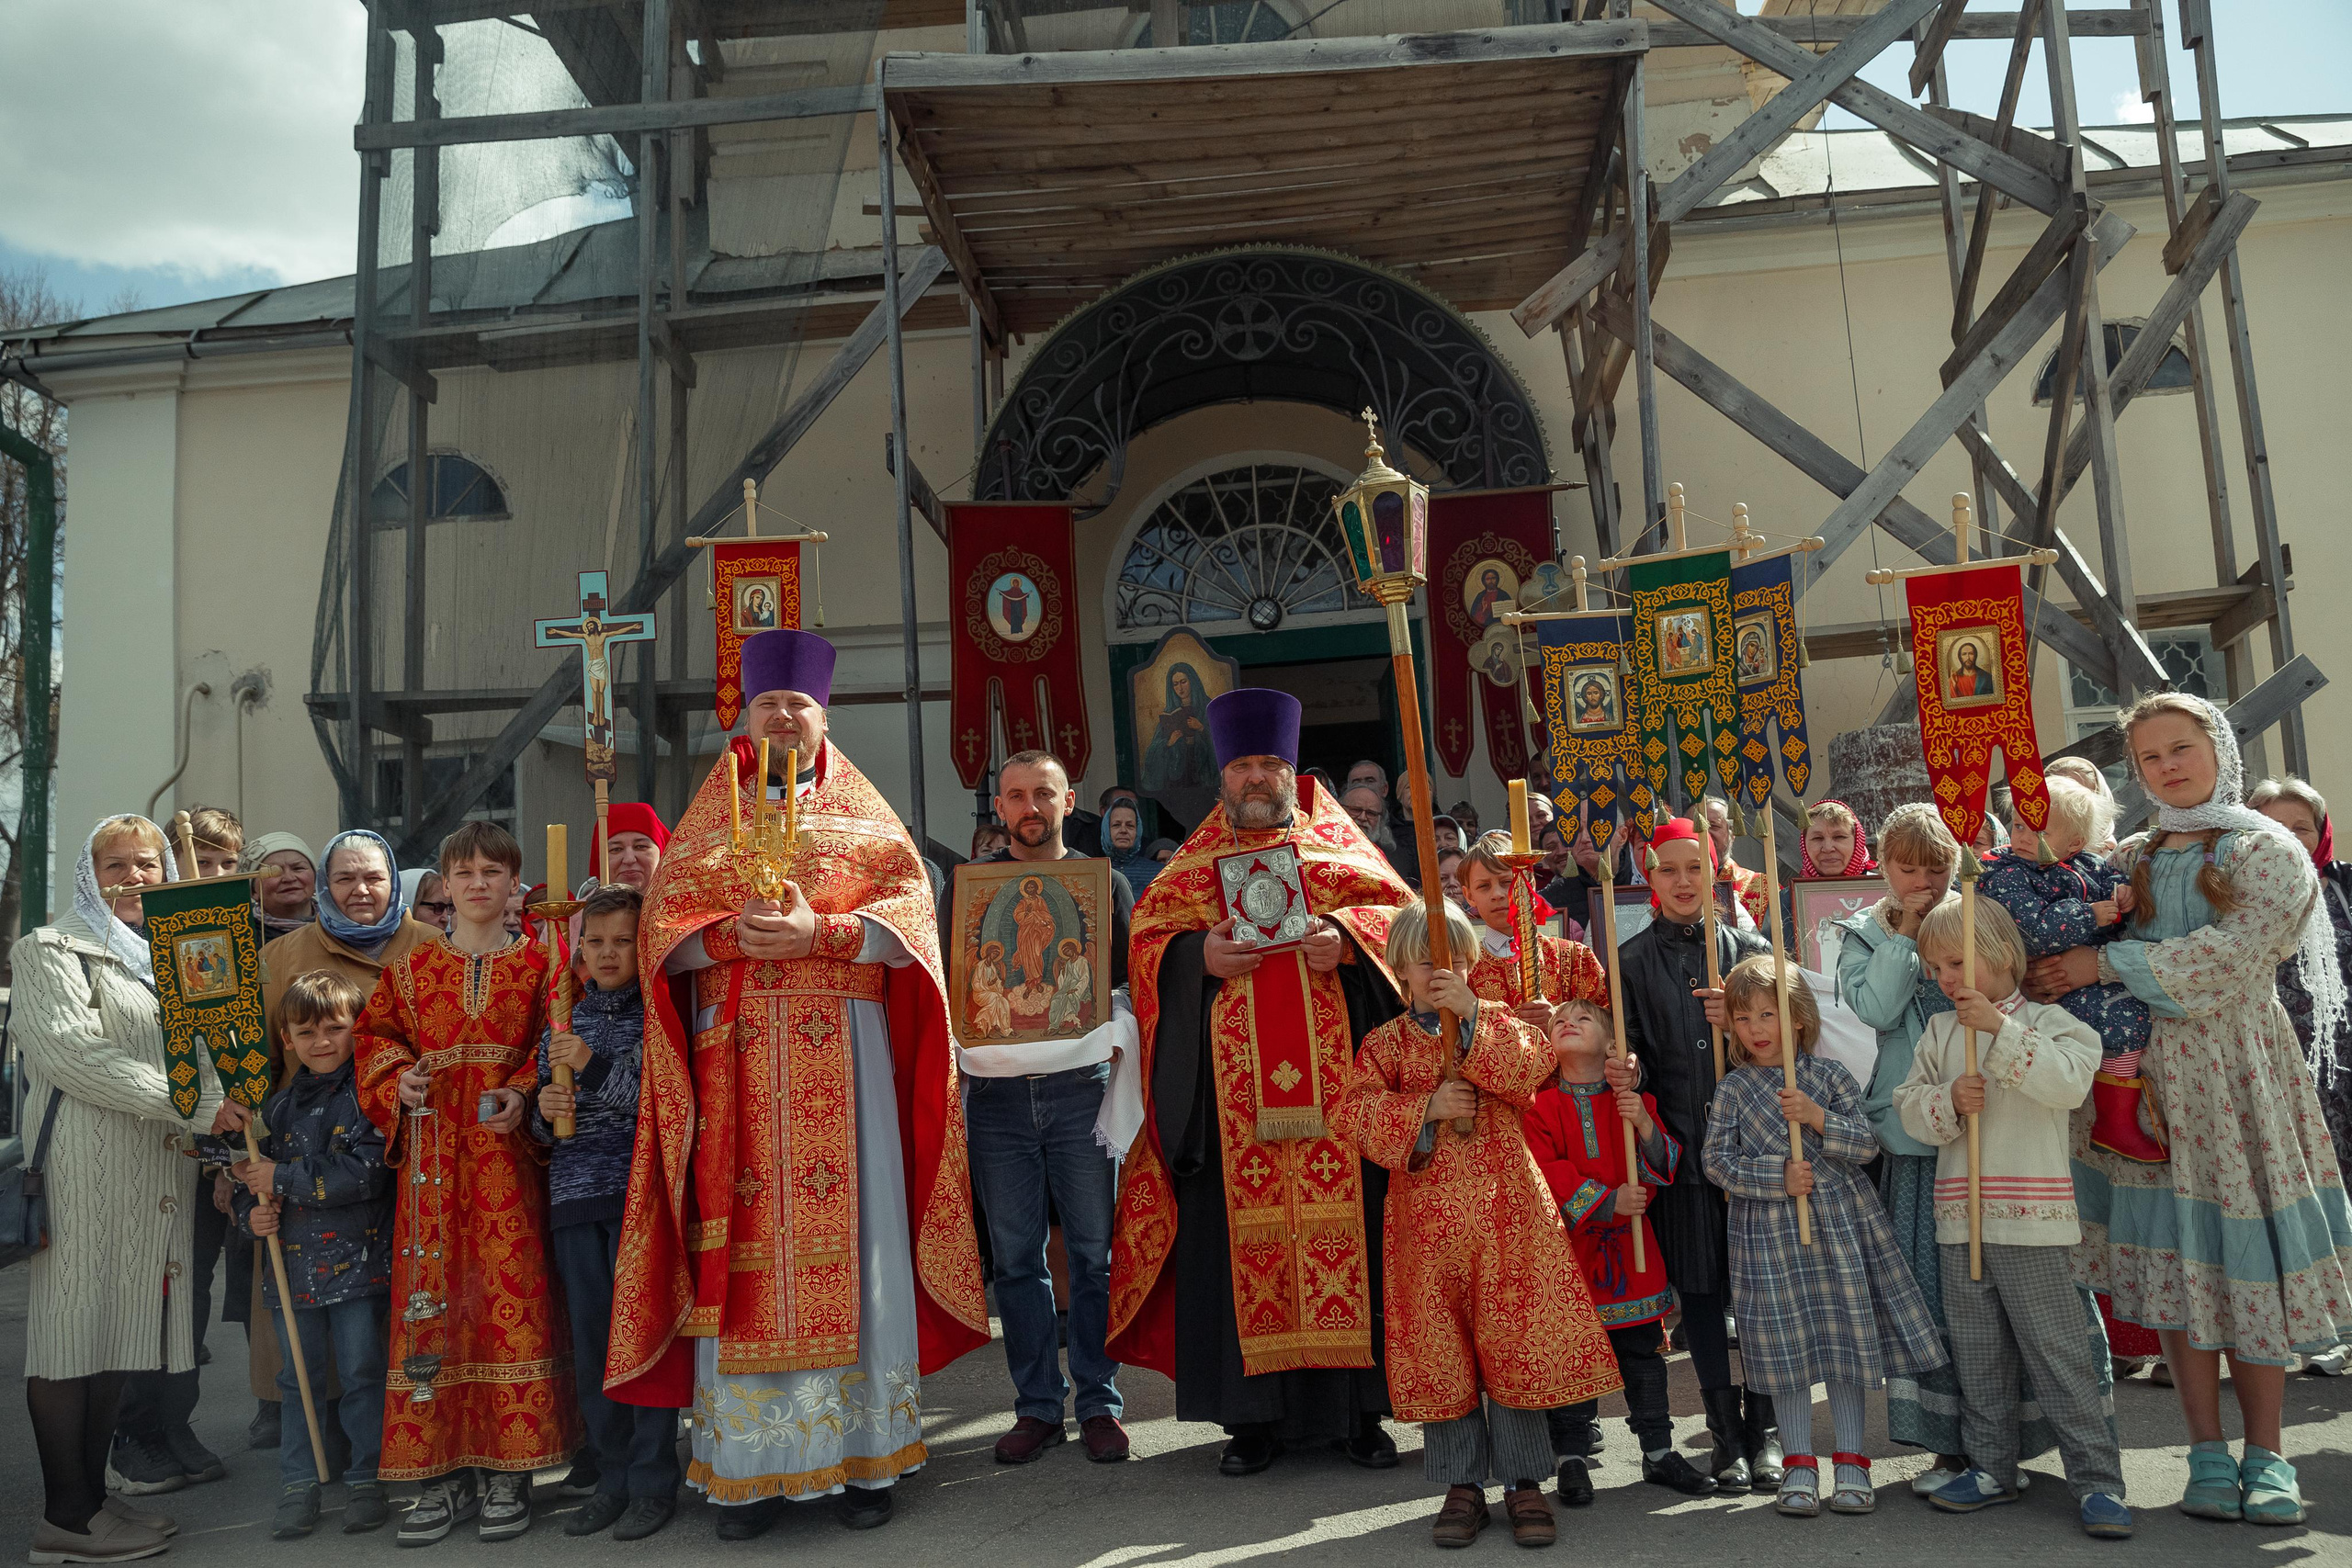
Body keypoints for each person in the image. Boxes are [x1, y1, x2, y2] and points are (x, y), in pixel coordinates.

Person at [607, 627, 987, 1536]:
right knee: (736, 1266)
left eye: (798, 705)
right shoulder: (711, 814)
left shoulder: (863, 816)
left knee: (863, 1256)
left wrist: (831, 933)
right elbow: (664, 926)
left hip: (845, 1068)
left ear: (823, 715)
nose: (784, 717)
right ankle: (751, 1469)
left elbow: (912, 914)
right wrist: (734, 933)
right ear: (745, 714)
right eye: (768, 704)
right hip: (732, 1066)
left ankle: (864, 1465)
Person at [2045, 693, 2350, 1525]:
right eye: (2150, 757)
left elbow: (2228, 955)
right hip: (2137, 1087)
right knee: (2179, 1269)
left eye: (2182, 748)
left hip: (2234, 1078)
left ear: (2218, 748)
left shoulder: (2265, 849)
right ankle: (2206, 1450)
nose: (2169, 766)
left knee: (2236, 1256)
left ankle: (2270, 1452)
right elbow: (2063, 926)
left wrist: (2103, 968)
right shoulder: (2128, 853)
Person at [1109, 689, 1413, 1477]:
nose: (1254, 778)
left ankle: (1361, 1414)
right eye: (1241, 765)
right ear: (1223, 774)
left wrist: (1345, 940)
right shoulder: (1192, 865)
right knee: (1240, 1247)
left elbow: (1405, 922)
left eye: (1267, 764)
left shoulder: (1341, 851)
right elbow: (1147, 939)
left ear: (1289, 770)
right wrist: (1193, 961)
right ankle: (1253, 1422)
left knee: (1355, 1239)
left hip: (1339, 1100)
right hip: (1232, 1104)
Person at [1333, 899, 1619, 1549]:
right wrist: (1425, 1107)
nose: (1444, 969)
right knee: (1442, 1344)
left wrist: (1471, 1019)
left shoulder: (1494, 1023)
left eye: (1456, 958)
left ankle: (1524, 1479)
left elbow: (1531, 1069)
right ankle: (1461, 1482)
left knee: (1513, 1338)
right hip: (1424, 1225)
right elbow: (1350, 1113)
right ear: (1400, 967)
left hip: (1506, 1213)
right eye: (1429, 958)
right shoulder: (1386, 1043)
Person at [355, 821, 576, 1545]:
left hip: (508, 1164)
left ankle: (507, 1473)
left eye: (493, 870)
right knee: (434, 1308)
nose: (478, 882)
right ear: (443, 886)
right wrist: (401, 1078)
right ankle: (437, 1478)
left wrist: (522, 1086)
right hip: (432, 1164)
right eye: (464, 871)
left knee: (508, 1300)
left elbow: (556, 1043)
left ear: (516, 885)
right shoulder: (410, 972)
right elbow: (375, 1039)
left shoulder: (545, 965)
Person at [14, 817, 228, 1562]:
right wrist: (199, 1104)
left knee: (116, 1335)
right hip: (84, 1173)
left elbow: (205, 1054)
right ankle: (64, 1518)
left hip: (154, 1172)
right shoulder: (49, 949)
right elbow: (75, 1054)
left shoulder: (170, 958)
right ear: (87, 873)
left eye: (148, 863)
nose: (135, 877)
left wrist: (229, 1097)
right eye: (116, 865)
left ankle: (93, 1504)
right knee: (72, 1334)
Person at [1894, 900, 2130, 1538]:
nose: (1944, 976)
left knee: (2057, 1351)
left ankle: (2099, 1480)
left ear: (1999, 955)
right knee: (1978, 1354)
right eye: (1934, 965)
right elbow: (1909, 1108)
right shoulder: (1939, 1034)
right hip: (1960, 1222)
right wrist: (1947, 1099)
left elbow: (2067, 1086)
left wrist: (1999, 1032)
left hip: (2032, 1221)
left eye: (1956, 961)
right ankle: (1993, 1467)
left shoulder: (2057, 1024)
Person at [1702, 955, 1948, 1517]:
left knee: (1842, 1345)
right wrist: (1775, 1176)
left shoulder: (1830, 1078)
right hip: (1766, 1236)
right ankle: (1797, 1465)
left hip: (1836, 1226)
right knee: (1785, 1348)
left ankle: (1852, 1461)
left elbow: (1865, 1146)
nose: (1758, 1028)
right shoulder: (1735, 1089)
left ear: (1799, 1018)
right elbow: (1716, 1162)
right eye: (1744, 1018)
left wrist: (1816, 1117)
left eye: (1770, 1014)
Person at [950, 749, 1136, 1466]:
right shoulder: (970, 890)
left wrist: (1109, 1024)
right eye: (1017, 795)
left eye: (1044, 794)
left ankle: (1098, 1401)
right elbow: (957, 979)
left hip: (1077, 1089)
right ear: (1000, 806)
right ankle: (1035, 1405)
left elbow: (1122, 984)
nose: (1031, 807)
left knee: (1094, 1253)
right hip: (997, 1097)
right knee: (1017, 1258)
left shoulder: (1104, 883)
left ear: (1069, 800)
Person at [1604, 818, 1771, 1490]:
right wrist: (1629, 1068)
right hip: (1681, 1150)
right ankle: (1724, 1432)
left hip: (1752, 1147)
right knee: (1701, 1293)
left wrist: (1734, 1024)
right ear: (1651, 878)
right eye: (1668, 869)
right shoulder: (1631, 960)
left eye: (1693, 868)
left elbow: (1784, 1047)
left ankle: (1766, 1429)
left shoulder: (1753, 948)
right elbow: (1633, 1051)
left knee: (1758, 1290)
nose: (1681, 881)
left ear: (1714, 872)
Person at [526, 885, 678, 1540]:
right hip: (574, 1199)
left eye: (623, 940)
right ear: (579, 948)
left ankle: (652, 1479)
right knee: (592, 1344)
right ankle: (611, 1477)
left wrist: (587, 1068)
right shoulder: (564, 1019)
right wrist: (542, 1113)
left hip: (637, 1198)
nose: (609, 952)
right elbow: (540, 1121)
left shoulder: (660, 1016)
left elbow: (661, 1097)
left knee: (642, 1341)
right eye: (597, 941)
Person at [1832, 804, 1973, 1487]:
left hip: (1984, 1119)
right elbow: (1879, 1010)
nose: (1922, 878)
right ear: (1882, 865)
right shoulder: (1861, 935)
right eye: (1907, 866)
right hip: (1912, 1135)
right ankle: (1947, 1438)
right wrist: (1908, 933)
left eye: (1935, 866)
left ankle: (2002, 1428)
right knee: (1929, 1291)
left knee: (1985, 1283)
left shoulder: (1978, 911)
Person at [1525, 998, 1712, 1504]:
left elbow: (1665, 1158)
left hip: (1633, 1253)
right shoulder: (1539, 1106)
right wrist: (1607, 1202)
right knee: (1574, 1354)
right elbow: (1545, 1170)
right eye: (1560, 1020)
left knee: (1641, 1354)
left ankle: (1657, 1452)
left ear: (1612, 1045)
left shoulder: (1633, 1102)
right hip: (1571, 1252)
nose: (1568, 1023)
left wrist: (1645, 1126)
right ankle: (1572, 1458)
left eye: (1583, 1019)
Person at [107, 807, 242, 1497]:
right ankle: (132, 1432)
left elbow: (232, 1053)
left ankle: (174, 1418)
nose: (205, 876)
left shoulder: (221, 942)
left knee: (190, 1289)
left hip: (208, 1150)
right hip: (147, 1147)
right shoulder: (122, 947)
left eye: (221, 865)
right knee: (150, 1293)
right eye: (194, 860)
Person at [231, 970, 393, 1540]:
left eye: (334, 1028)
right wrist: (250, 1216)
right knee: (297, 1378)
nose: (321, 1042)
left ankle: (367, 1476)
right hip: (292, 1268)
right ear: (286, 1039)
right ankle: (298, 1482)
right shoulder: (272, 1111)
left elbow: (366, 1174)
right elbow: (250, 1183)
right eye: (306, 1031)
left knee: (361, 1371)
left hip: (358, 1263)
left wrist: (285, 1175)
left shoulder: (370, 1095)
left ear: (356, 1028)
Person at [1982, 779, 2156, 1162]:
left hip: (2083, 979)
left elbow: (2110, 885)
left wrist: (2123, 895)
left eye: (2040, 829)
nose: (2024, 836)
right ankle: (2109, 1119)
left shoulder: (2087, 865)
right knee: (2121, 1018)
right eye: (2020, 825)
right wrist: (2088, 916)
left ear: (2074, 843)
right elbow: (2033, 931)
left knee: (2133, 1014)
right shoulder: (2007, 872)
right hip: (2042, 990)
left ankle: (2115, 1119)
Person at [260, 830, 433, 1089]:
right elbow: (263, 1061)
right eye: (345, 879)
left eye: (374, 878)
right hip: (314, 1122)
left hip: (421, 1117)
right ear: (326, 885)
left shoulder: (435, 945)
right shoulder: (280, 955)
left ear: (393, 881)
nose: (361, 890)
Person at [2248, 775, 2352, 1176]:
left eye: (2300, 828)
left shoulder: (2346, 884)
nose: (2286, 837)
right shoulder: (2227, 892)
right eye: (2271, 827)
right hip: (2274, 1055)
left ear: (2321, 832)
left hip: (2343, 1057)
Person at [1458, 830, 1604, 1031]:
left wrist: (1558, 1019)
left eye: (1506, 882)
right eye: (1484, 886)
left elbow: (1607, 1019)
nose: (1497, 894)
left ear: (1529, 882)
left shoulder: (1573, 957)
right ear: (1469, 895)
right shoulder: (1463, 968)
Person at [1141, 663, 1215, 792]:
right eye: (1175, 684)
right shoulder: (1170, 712)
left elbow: (1222, 742)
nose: (1180, 688)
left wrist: (1201, 728)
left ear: (1192, 681)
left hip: (1202, 771)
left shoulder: (1207, 708)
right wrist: (1169, 743)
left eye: (1183, 682)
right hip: (1178, 774)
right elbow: (1152, 751)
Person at [1701, 796, 1766, 929]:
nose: (1705, 834)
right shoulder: (1676, 887)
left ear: (1732, 833)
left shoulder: (1763, 886)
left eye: (1713, 826)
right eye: (1698, 825)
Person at [244, 833, 318, 941]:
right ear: (253, 892)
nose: (289, 878)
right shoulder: (240, 936)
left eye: (298, 868)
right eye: (274, 872)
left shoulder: (340, 927)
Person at [586, 802, 669, 891]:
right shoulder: (583, 905)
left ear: (663, 854)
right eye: (616, 849)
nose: (629, 860)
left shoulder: (684, 903)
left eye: (640, 847)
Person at [1104, 797, 1159, 898]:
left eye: (1130, 826)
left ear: (1138, 831)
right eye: (1116, 825)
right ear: (1106, 830)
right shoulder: (1095, 872)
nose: (1123, 830)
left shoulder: (1158, 873)